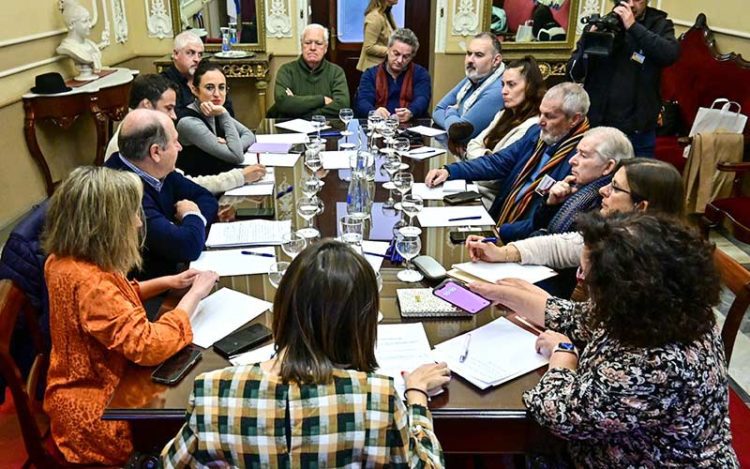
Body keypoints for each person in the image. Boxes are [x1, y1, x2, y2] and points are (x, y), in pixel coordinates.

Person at [472, 213, 739, 467]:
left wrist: (563, 355)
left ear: (622, 290)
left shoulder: (653, 363)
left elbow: (558, 413)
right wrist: (507, 294)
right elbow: (577, 317)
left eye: (587, 276)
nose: (579, 278)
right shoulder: (668, 309)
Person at [161, 240, 450, 467]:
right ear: (361, 323)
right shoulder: (379, 398)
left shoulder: (214, 391)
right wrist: (416, 395)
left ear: (284, 307)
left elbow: (171, 464)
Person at [42, 166, 218, 465]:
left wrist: (167, 283)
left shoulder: (63, 261)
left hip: (74, 385)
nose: (138, 223)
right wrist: (194, 296)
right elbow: (150, 345)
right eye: (132, 215)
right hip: (101, 413)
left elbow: (112, 301)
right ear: (104, 226)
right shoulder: (92, 283)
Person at [426, 82, 590, 242]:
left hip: (526, 239)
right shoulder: (537, 134)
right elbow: (498, 162)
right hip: (502, 222)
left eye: (549, 116)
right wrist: (451, 171)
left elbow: (550, 220)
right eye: (541, 113)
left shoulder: (582, 158)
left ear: (574, 119)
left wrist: (503, 232)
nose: (540, 121)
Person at [465, 158, 683, 269]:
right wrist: (502, 253)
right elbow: (560, 245)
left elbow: (591, 323)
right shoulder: (620, 233)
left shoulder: (648, 262)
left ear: (641, 207)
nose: (602, 191)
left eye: (615, 188)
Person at [105, 74, 266, 195]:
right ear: (147, 105)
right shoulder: (133, 140)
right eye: (168, 108)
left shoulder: (146, 131)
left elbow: (179, 180)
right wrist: (239, 177)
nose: (174, 115)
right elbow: (184, 185)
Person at [105, 109, 218, 280]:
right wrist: (191, 215)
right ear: (155, 152)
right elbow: (187, 246)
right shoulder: (123, 192)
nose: (179, 147)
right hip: (147, 292)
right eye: (175, 142)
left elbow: (206, 198)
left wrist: (187, 228)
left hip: (171, 274)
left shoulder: (157, 169)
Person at [567, 0, 679, 156]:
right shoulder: (601, 24)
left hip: (638, 130)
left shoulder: (659, 24)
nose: (631, 4)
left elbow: (669, 55)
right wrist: (589, 40)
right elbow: (574, 72)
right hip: (597, 126)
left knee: (635, 179)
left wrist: (633, 27)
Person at [464, 55, 545, 207]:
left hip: (488, 200)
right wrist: (487, 157)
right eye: (503, 85)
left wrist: (482, 157)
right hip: (471, 187)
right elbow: (472, 143)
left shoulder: (533, 126)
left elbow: (494, 176)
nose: (504, 91)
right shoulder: (504, 113)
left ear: (530, 87)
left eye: (511, 85)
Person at [528, 126, 634, 236]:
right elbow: (538, 226)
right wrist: (551, 205)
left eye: (583, 155)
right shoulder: (577, 190)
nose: (571, 161)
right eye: (577, 152)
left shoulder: (606, 205)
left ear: (608, 166)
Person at [176, 62, 256, 177]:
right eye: (209, 88)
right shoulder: (188, 122)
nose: (217, 94)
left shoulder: (215, 110)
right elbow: (237, 156)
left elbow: (249, 135)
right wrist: (224, 113)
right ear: (195, 90)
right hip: (201, 188)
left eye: (222, 87)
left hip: (223, 179)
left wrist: (230, 144)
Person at [432, 32, 505, 141]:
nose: (470, 60)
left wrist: (451, 111)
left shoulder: (499, 89)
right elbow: (438, 110)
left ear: (496, 60)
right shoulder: (473, 77)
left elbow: (459, 133)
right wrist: (453, 121)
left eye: (478, 55)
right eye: (469, 53)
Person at [266, 24, 350, 119]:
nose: (313, 48)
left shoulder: (336, 72)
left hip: (325, 129)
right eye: (308, 42)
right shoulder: (287, 71)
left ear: (326, 48)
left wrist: (298, 108)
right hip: (291, 130)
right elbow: (283, 103)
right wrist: (321, 100)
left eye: (318, 43)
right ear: (301, 45)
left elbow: (342, 106)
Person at [354, 28, 431, 122]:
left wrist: (411, 112)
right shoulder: (370, 74)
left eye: (406, 57)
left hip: (409, 125)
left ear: (412, 56)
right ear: (388, 49)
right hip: (378, 125)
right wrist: (374, 112)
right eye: (396, 54)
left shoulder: (420, 74)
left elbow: (422, 98)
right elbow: (363, 101)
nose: (399, 60)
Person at [161, 31, 235, 118]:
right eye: (190, 53)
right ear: (175, 54)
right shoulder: (164, 82)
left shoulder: (206, 75)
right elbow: (175, 116)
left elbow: (229, 111)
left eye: (200, 54)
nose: (197, 59)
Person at [56, 0, 102, 80]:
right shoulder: (67, 47)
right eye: (85, 21)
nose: (90, 25)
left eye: (89, 20)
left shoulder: (92, 45)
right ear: (71, 24)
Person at [356, 0, 398, 72]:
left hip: (383, 68)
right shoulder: (374, 17)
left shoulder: (386, 13)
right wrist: (393, 51)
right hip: (374, 70)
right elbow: (369, 47)